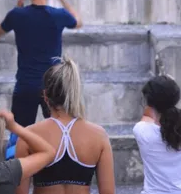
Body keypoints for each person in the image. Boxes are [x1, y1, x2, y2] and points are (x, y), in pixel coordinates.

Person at [0, 0, 82, 159]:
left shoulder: (17, 15)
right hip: (52, 87)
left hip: (25, 84)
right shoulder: (58, 15)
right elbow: (78, 22)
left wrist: (18, 6)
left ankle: (16, 174)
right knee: (59, 131)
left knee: (18, 134)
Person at [15, 57, 115, 194]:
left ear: (45, 96)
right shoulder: (99, 135)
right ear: (75, 94)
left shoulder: (28, 136)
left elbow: (20, 192)